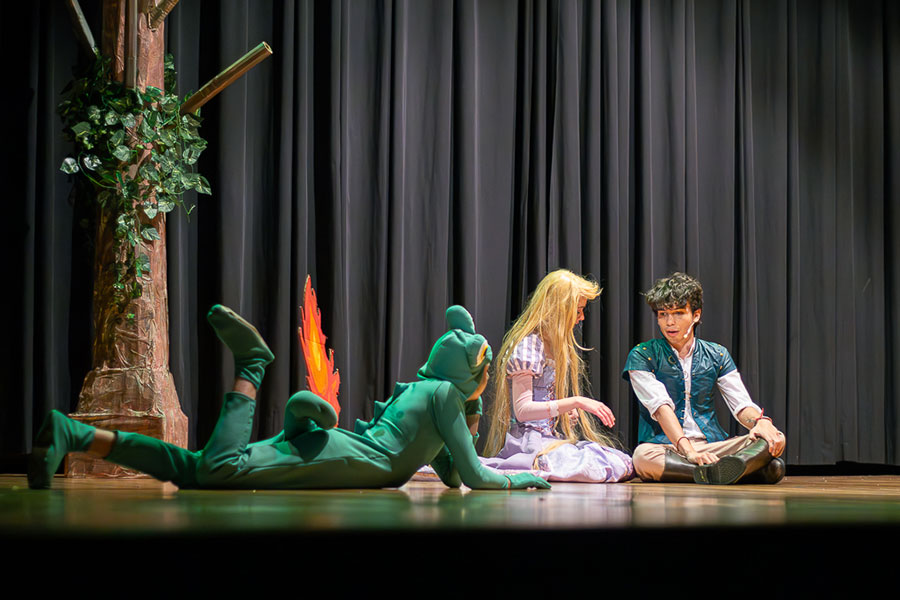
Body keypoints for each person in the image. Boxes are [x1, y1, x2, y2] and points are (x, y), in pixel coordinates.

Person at [29, 304, 550, 491]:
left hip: (340, 453)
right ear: (471, 372)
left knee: (195, 469)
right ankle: (253, 367)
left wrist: (472, 410)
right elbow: (476, 478)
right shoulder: (443, 397)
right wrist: (522, 477)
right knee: (217, 470)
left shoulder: (431, 393)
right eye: (486, 373)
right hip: (347, 457)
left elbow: (453, 473)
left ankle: (75, 435)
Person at [623, 272, 786, 484]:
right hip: (667, 447)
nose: (669, 322)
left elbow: (741, 404)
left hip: (712, 447)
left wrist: (760, 422)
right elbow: (661, 408)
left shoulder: (717, 354)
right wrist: (689, 452)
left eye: (678, 313)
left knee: (776, 436)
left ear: (696, 315)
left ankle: (720, 469)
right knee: (642, 458)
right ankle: (725, 471)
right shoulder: (642, 355)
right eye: (663, 314)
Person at [481, 269, 633, 482]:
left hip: (548, 438)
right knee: (591, 466)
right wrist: (575, 401)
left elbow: (543, 402)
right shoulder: (529, 346)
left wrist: (561, 413)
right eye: (578, 311)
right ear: (560, 309)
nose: (581, 318)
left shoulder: (553, 345)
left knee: (618, 462)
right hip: (530, 442)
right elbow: (523, 411)